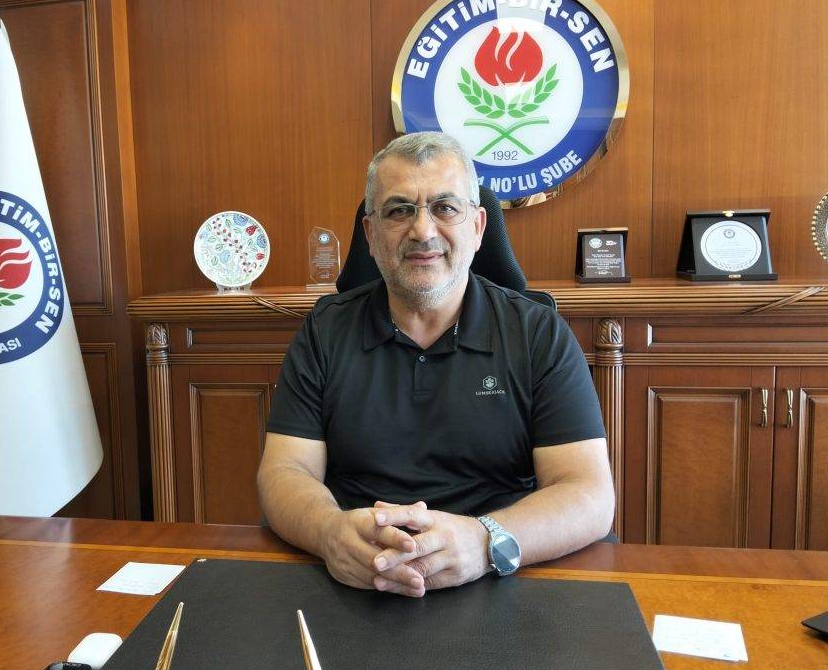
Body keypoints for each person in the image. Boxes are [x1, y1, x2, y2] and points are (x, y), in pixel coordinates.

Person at [257, 131, 614, 598]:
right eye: (399, 210)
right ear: (370, 235)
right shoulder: (325, 330)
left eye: (445, 208)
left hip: (498, 577)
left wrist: (485, 540)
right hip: (356, 574)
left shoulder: (538, 333)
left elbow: (588, 492)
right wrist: (329, 532)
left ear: (478, 227)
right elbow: (284, 472)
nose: (422, 231)